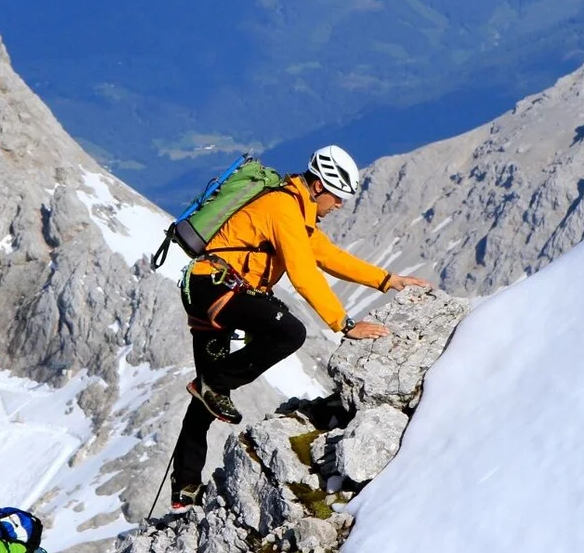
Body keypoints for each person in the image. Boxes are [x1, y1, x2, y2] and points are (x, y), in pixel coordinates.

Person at [168, 145, 430, 509]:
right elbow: (304, 273)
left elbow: (330, 257)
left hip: (209, 290)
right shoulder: (283, 208)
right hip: (218, 289)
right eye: (338, 196)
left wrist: (387, 280)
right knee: (289, 332)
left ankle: (185, 486)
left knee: (206, 398)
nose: (339, 205)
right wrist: (344, 323)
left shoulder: (297, 213)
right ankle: (214, 385)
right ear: (320, 185)